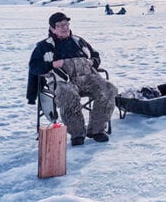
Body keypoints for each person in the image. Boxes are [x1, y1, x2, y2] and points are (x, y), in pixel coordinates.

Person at [27, 12, 117, 145]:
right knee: (68, 94)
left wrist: (92, 62)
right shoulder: (44, 46)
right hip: (63, 81)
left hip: (87, 77)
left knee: (109, 89)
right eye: (60, 25)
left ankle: (96, 130)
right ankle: (77, 133)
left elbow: (96, 56)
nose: (64, 27)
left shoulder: (79, 41)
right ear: (52, 29)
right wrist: (52, 64)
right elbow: (34, 67)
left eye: (66, 24)